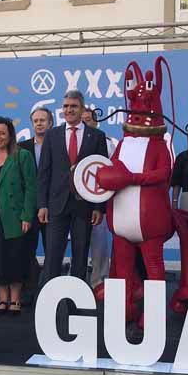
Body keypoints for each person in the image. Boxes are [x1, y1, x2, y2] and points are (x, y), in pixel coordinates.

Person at [37, 90, 108, 285]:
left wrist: (98, 207)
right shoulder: (52, 135)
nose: (69, 110)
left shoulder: (97, 136)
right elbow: (44, 172)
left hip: (84, 206)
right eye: (66, 106)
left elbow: (101, 175)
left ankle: (76, 303)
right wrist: (42, 204)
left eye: (73, 106)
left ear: (82, 109)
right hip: (56, 205)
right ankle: (49, 301)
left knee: (80, 254)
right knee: (52, 255)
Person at [0, 117, 37, 314]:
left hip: (13, 217)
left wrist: (27, 216)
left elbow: (31, 187)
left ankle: (15, 300)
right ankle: (2, 299)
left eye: (2, 133)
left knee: (13, 258)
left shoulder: (23, 156)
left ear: (10, 135)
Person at [19, 107, 53, 296]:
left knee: (52, 251)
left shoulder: (59, 145)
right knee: (27, 250)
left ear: (50, 123)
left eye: (43, 120)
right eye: (36, 120)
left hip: (52, 207)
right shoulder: (22, 148)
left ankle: (49, 290)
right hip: (29, 208)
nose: (39, 123)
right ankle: (29, 289)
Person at [81, 106, 114, 288]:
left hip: (98, 200)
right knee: (77, 243)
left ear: (96, 121)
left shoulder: (107, 143)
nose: (85, 123)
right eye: (82, 120)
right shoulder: (73, 141)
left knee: (99, 243)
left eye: (88, 120)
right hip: (76, 200)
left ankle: (99, 281)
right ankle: (75, 280)